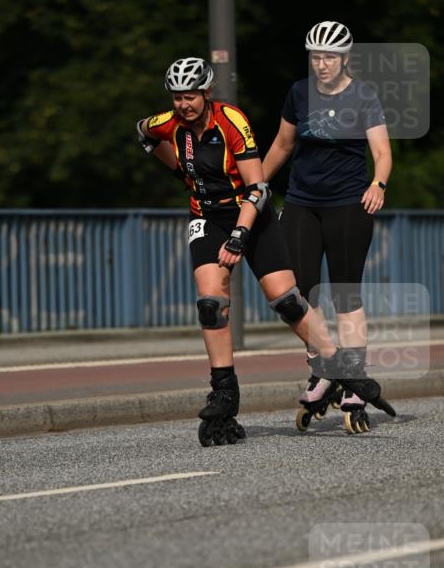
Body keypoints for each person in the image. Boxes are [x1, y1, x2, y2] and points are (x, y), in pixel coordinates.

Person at [136, 55, 346, 445]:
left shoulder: (231, 121)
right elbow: (144, 133)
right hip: (207, 216)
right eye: (177, 97)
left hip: (252, 212)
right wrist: (182, 172)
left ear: (207, 92)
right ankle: (224, 393)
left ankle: (337, 365)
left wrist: (238, 238)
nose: (184, 104)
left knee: (285, 300)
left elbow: (258, 187)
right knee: (210, 303)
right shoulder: (169, 123)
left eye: (191, 96)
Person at [262, 21, 395, 433]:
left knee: (344, 294)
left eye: (329, 57)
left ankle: (353, 384)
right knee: (298, 296)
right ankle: (323, 370)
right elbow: (283, 145)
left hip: (347, 205)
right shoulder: (298, 93)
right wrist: (255, 186)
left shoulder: (363, 95)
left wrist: (379, 183)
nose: (321, 64)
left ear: (345, 58)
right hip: (301, 202)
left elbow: (382, 151)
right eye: (315, 57)